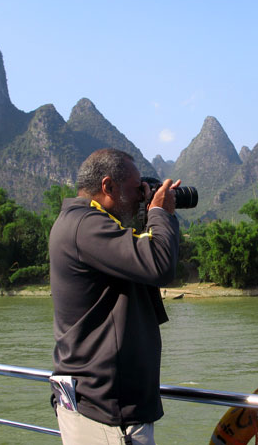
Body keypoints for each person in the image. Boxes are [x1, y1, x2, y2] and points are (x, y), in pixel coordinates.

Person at [49, 148, 180, 444]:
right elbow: (159, 265)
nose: (141, 196)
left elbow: (143, 261)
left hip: (103, 405)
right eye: (136, 189)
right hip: (108, 412)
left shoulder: (85, 224)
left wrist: (153, 215)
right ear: (108, 186)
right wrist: (160, 212)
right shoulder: (86, 225)